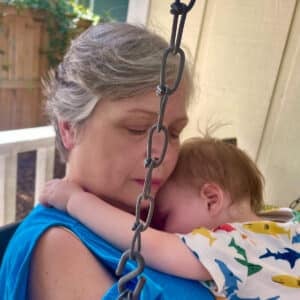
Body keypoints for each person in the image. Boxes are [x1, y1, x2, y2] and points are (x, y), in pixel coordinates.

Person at [0, 23, 214, 300]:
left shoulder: (158, 217)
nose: (161, 153)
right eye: (137, 128)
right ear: (69, 129)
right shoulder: (59, 247)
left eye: (174, 133)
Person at [40, 136, 300, 300]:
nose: (158, 226)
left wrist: (76, 201)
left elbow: (147, 244)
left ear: (211, 199)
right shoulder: (288, 225)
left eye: (165, 216)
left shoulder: (230, 245)